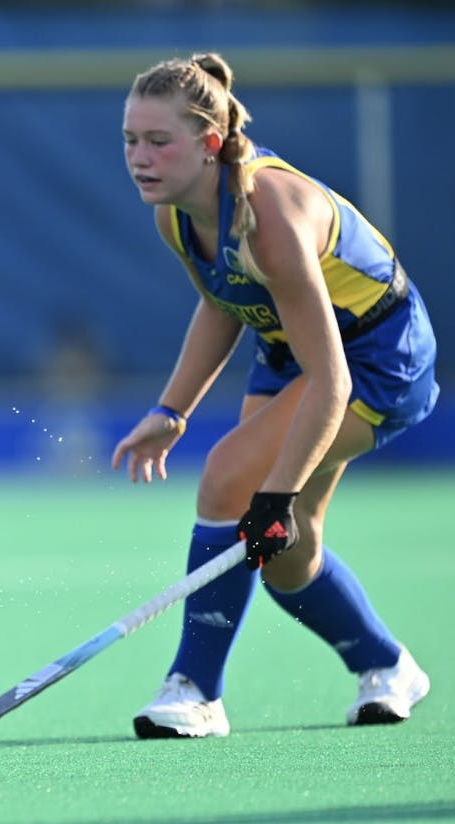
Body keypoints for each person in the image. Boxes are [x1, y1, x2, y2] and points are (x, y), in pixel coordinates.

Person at [113, 53, 437, 738]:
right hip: (293, 348)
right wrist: (171, 411)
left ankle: (196, 688)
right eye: (130, 141)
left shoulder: (272, 214)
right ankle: (386, 665)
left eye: (158, 141)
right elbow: (222, 302)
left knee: (234, 483)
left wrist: (277, 493)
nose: (140, 158)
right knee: (289, 554)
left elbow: (334, 380)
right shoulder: (177, 214)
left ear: (207, 143)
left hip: (376, 356)